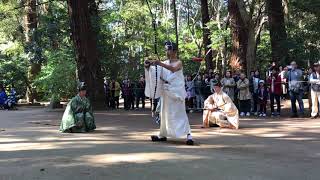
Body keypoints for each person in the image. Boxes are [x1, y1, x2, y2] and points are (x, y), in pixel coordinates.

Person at [144, 41, 194, 145]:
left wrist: (160, 63)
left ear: (175, 51)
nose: (167, 52)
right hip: (166, 92)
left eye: (169, 50)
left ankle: (189, 135)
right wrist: (148, 66)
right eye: (166, 50)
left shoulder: (179, 62)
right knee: (165, 114)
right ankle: (162, 135)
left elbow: (173, 69)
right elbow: (156, 71)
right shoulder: (165, 62)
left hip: (177, 92)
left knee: (180, 114)